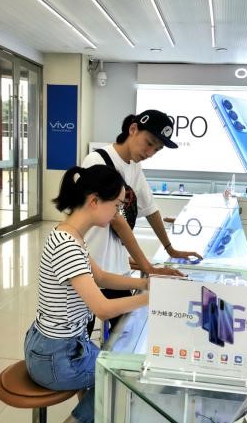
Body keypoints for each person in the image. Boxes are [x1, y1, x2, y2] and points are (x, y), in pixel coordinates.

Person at [24, 164, 149, 423]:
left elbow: (100, 277)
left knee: (112, 367)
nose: (117, 213)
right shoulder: (68, 246)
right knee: (123, 377)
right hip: (56, 356)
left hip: (54, 346)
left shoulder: (69, 234)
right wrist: (150, 298)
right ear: (94, 201)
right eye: (116, 205)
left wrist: (146, 284)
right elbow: (102, 309)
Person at [82, 110, 202, 329]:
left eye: (157, 149)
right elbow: (117, 221)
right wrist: (148, 267)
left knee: (124, 333)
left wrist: (170, 249)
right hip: (91, 267)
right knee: (83, 332)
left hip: (116, 269)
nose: (150, 153)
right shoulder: (97, 161)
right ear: (133, 129)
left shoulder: (134, 166)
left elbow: (150, 208)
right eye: (149, 143)